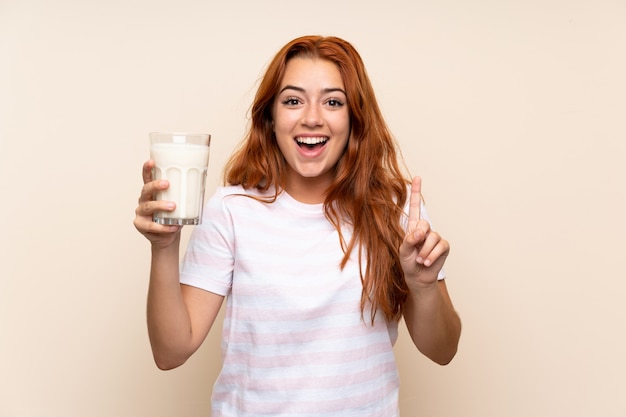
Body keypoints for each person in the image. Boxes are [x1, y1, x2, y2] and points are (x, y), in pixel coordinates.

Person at [134, 35, 461, 416]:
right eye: (293, 100)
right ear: (270, 118)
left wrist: (422, 287)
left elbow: (443, 351)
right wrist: (163, 247)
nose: (311, 117)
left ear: (355, 118)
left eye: (333, 102)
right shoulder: (232, 209)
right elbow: (170, 352)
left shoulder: (398, 208)